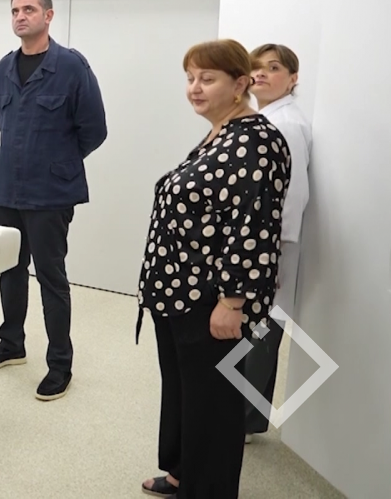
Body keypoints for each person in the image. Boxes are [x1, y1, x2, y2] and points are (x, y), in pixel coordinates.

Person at [137, 39, 290, 499]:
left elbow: (255, 227)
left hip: (211, 298)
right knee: (185, 391)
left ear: (240, 83)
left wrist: (232, 301)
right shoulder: (220, 132)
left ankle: (208, 490)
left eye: (208, 78)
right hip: (177, 293)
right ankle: (182, 471)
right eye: (190, 78)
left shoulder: (256, 141)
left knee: (213, 404)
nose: (195, 88)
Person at [0, 0, 107, 402]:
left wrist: (57, 161)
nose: (20, 16)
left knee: (51, 276)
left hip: (51, 192)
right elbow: (5, 122)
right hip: (8, 188)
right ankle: (11, 344)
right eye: (15, 10)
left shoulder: (71, 66)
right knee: (10, 270)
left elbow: (94, 129)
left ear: (48, 16)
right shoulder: (4, 67)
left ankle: (60, 363)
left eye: (29, 9)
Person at [241, 43, 312, 441]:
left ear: (293, 78)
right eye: (256, 68)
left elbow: (293, 194)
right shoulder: (266, 119)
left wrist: (275, 252)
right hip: (260, 245)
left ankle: (245, 419)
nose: (261, 75)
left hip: (271, 249)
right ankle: (245, 417)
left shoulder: (287, 125)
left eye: (273, 68)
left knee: (261, 331)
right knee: (255, 329)